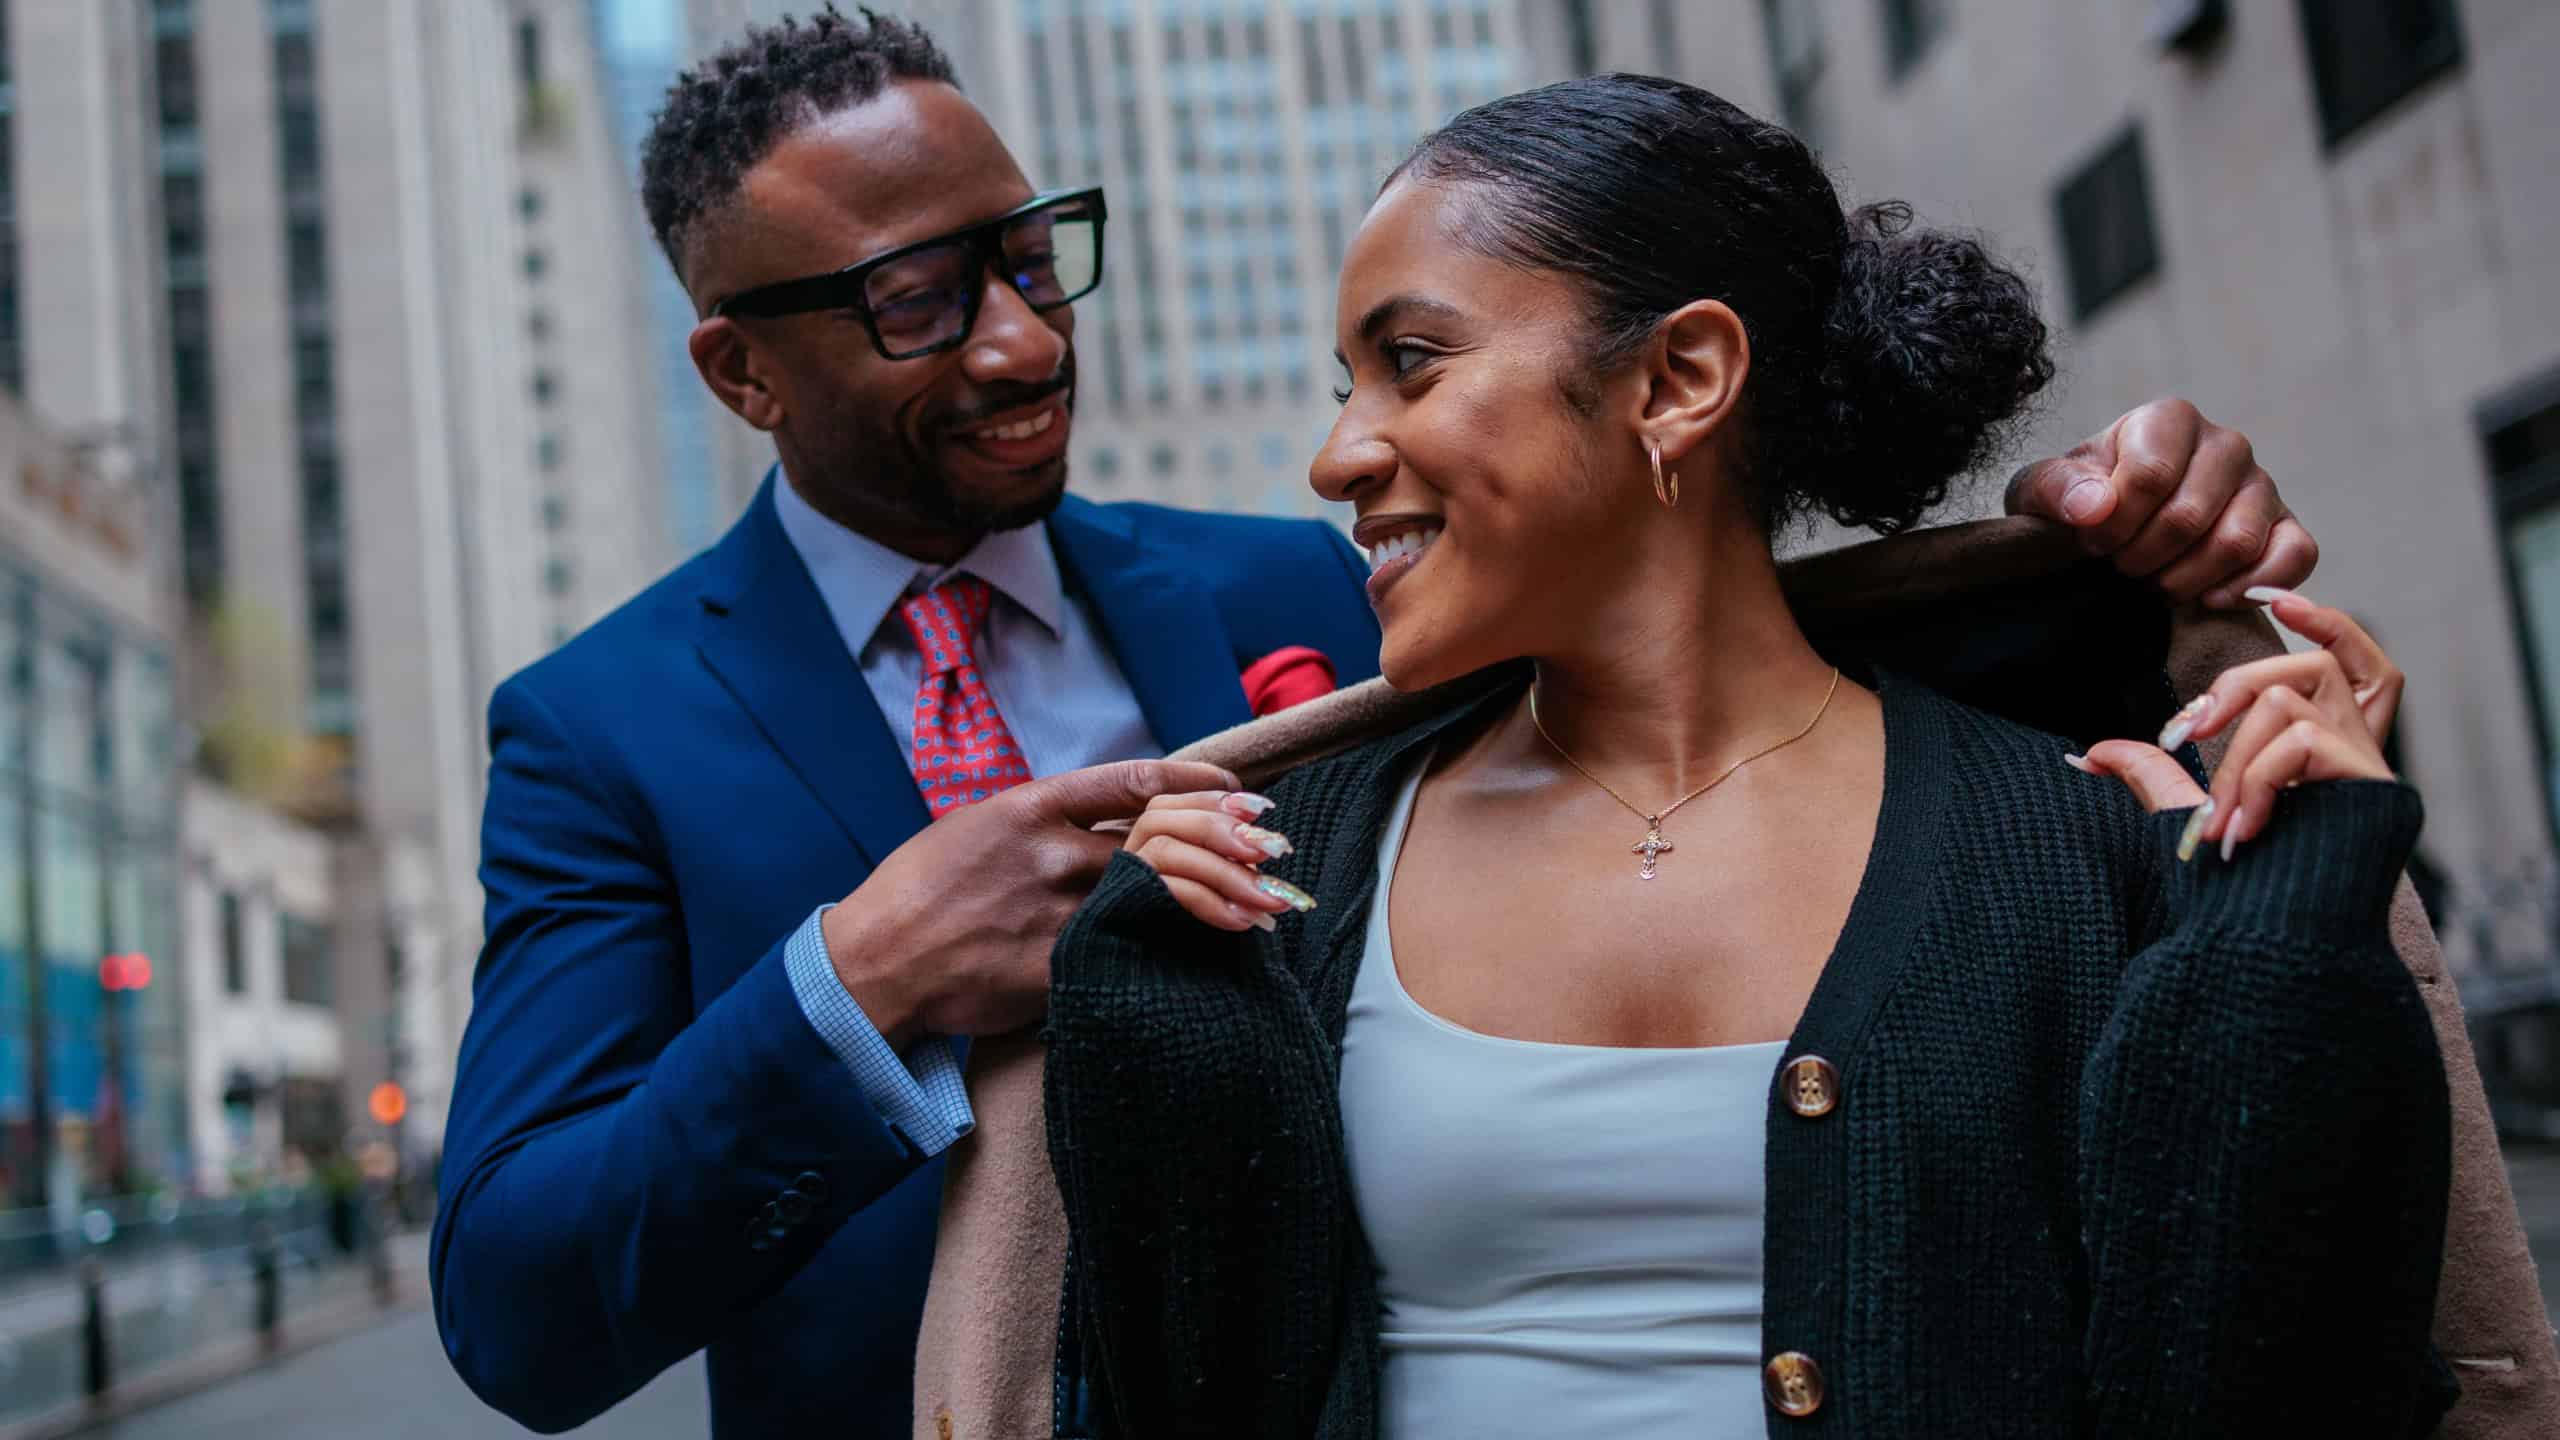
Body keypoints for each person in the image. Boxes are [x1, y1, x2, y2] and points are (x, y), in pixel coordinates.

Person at [429, 11, 2331, 1436]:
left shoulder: (1321, 587)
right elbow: (521, 1309)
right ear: (740, 373)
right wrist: (860, 986)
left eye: (1030, 253)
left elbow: (1727, 670)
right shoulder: (599, 733)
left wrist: (2115, 561)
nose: (1022, 339)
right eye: (916, 303)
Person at [1043, 74, 2454, 1436]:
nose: (1338, 456)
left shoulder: (2077, 839)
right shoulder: (1266, 877)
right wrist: (1141, 981)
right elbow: (1167, 1381)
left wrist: (2283, 949)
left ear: (1680, 378)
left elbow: (2262, 1373)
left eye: (1409, 363)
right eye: (1345, 386)